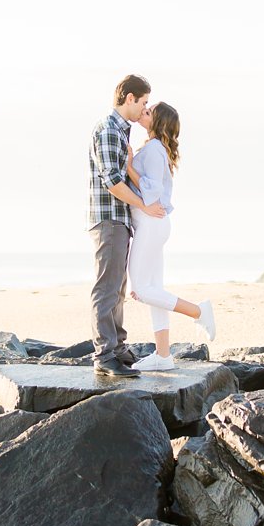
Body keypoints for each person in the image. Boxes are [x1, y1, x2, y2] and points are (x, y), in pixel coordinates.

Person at [122, 101, 217, 369]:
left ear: (159, 121)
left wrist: (129, 167)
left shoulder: (153, 149)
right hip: (154, 226)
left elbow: (151, 192)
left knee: (141, 289)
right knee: (152, 289)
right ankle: (163, 355)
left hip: (151, 224)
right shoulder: (156, 148)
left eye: (149, 111)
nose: (144, 111)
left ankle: (199, 311)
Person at [88, 75, 166, 379]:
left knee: (117, 287)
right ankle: (104, 354)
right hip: (108, 218)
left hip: (119, 219)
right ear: (129, 98)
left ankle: (117, 348)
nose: (145, 108)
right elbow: (112, 183)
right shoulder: (108, 130)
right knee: (106, 287)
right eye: (144, 102)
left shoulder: (120, 132)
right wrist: (144, 205)